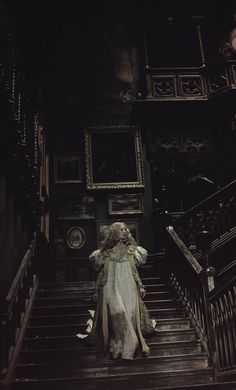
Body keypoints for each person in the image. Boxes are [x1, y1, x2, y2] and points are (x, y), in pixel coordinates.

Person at [77, 222, 156, 360]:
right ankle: (126, 343)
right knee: (118, 311)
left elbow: (135, 270)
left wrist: (141, 286)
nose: (125, 231)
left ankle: (125, 345)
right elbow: (100, 272)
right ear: (114, 232)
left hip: (128, 285)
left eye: (126, 229)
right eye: (121, 229)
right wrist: (96, 290)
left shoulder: (131, 250)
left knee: (130, 313)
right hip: (112, 285)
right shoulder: (105, 253)